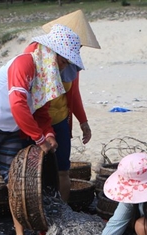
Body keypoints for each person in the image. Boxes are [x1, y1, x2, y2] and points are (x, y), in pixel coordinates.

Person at [0, 24, 84, 235]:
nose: (64, 66)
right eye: (64, 60)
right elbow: (18, 105)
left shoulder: (48, 76)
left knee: (15, 185)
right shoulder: (24, 63)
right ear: (52, 53)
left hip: (10, 132)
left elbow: (42, 111)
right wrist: (39, 139)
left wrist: (48, 133)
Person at [34, 10, 100, 201]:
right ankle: (38, 209)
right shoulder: (38, 55)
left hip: (61, 120)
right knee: (36, 171)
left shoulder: (71, 64)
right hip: (38, 123)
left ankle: (62, 210)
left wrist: (83, 122)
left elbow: (74, 94)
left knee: (63, 169)